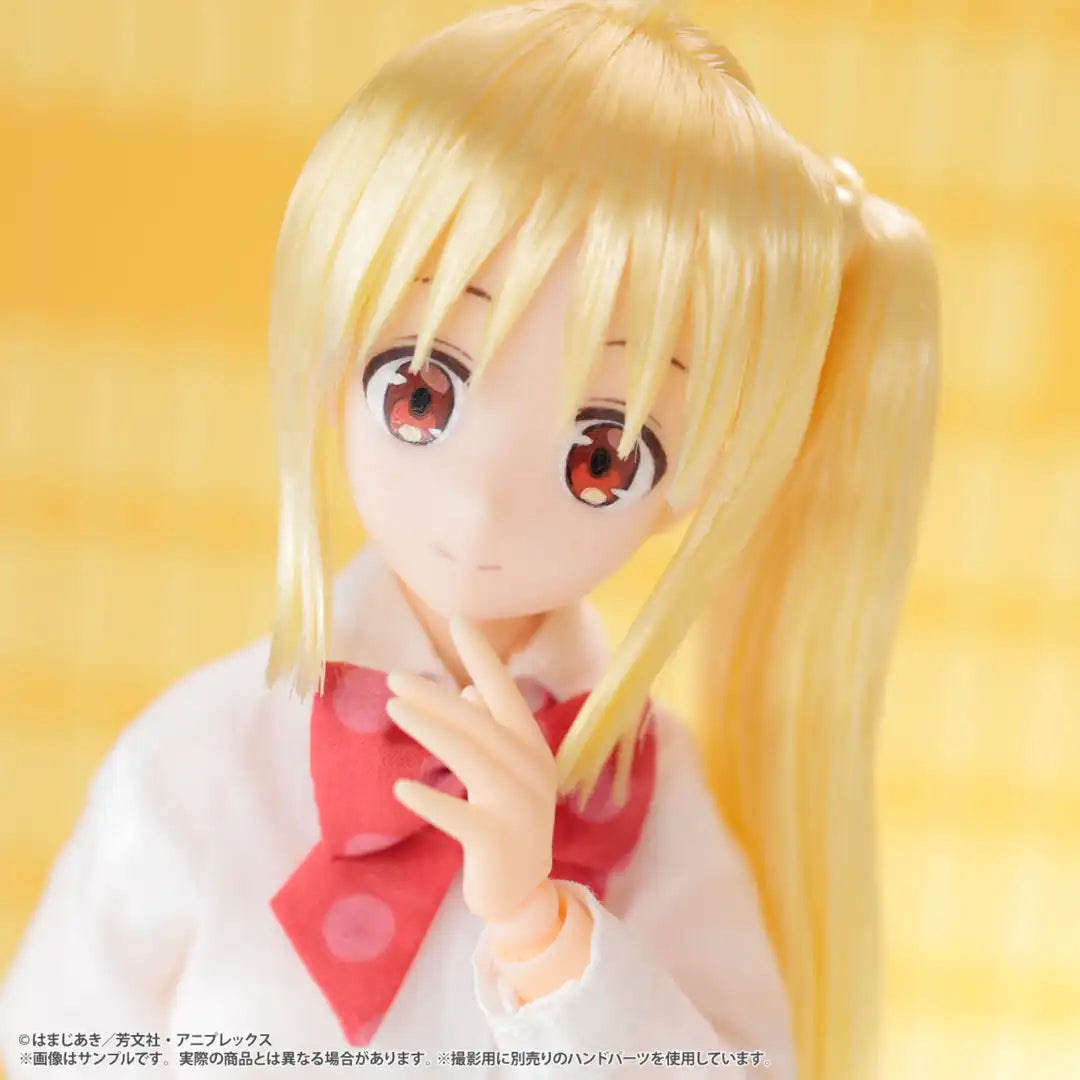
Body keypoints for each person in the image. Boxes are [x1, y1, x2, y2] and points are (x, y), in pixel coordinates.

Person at [0, 1, 939, 1077]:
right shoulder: (211, 753)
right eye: (421, 394)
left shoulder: (642, 802)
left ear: (697, 483)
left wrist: (547, 937)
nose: (481, 505)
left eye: (602, 457)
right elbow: (55, 1035)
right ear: (332, 344)